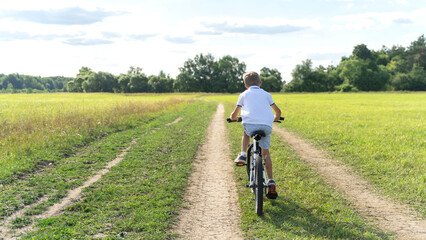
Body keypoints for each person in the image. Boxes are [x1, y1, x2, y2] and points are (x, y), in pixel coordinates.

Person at [229, 71, 281, 199]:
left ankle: (243, 154)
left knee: (246, 132)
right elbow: (278, 111)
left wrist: (233, 118)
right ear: (260, 83)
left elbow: (235, 114)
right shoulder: (266, 94)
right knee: (266, 153)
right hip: (266, 126)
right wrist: (275, 118)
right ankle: (271, 181)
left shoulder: (244, 94)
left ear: (246, 85)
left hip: (251, 125)